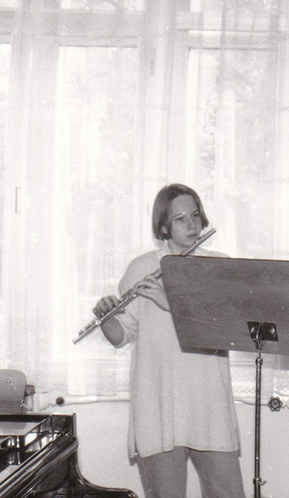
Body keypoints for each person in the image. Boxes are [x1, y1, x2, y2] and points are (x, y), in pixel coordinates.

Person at [93, 184, 244, 498]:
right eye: (180, 219)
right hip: (158, 404)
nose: (192, 224)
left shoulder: (219, 265)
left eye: (195, 215)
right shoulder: (142, 267)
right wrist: (106, 318)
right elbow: (121, 336)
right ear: (163, 226)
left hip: (209, 404)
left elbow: (227, 329)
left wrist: (169, 301)